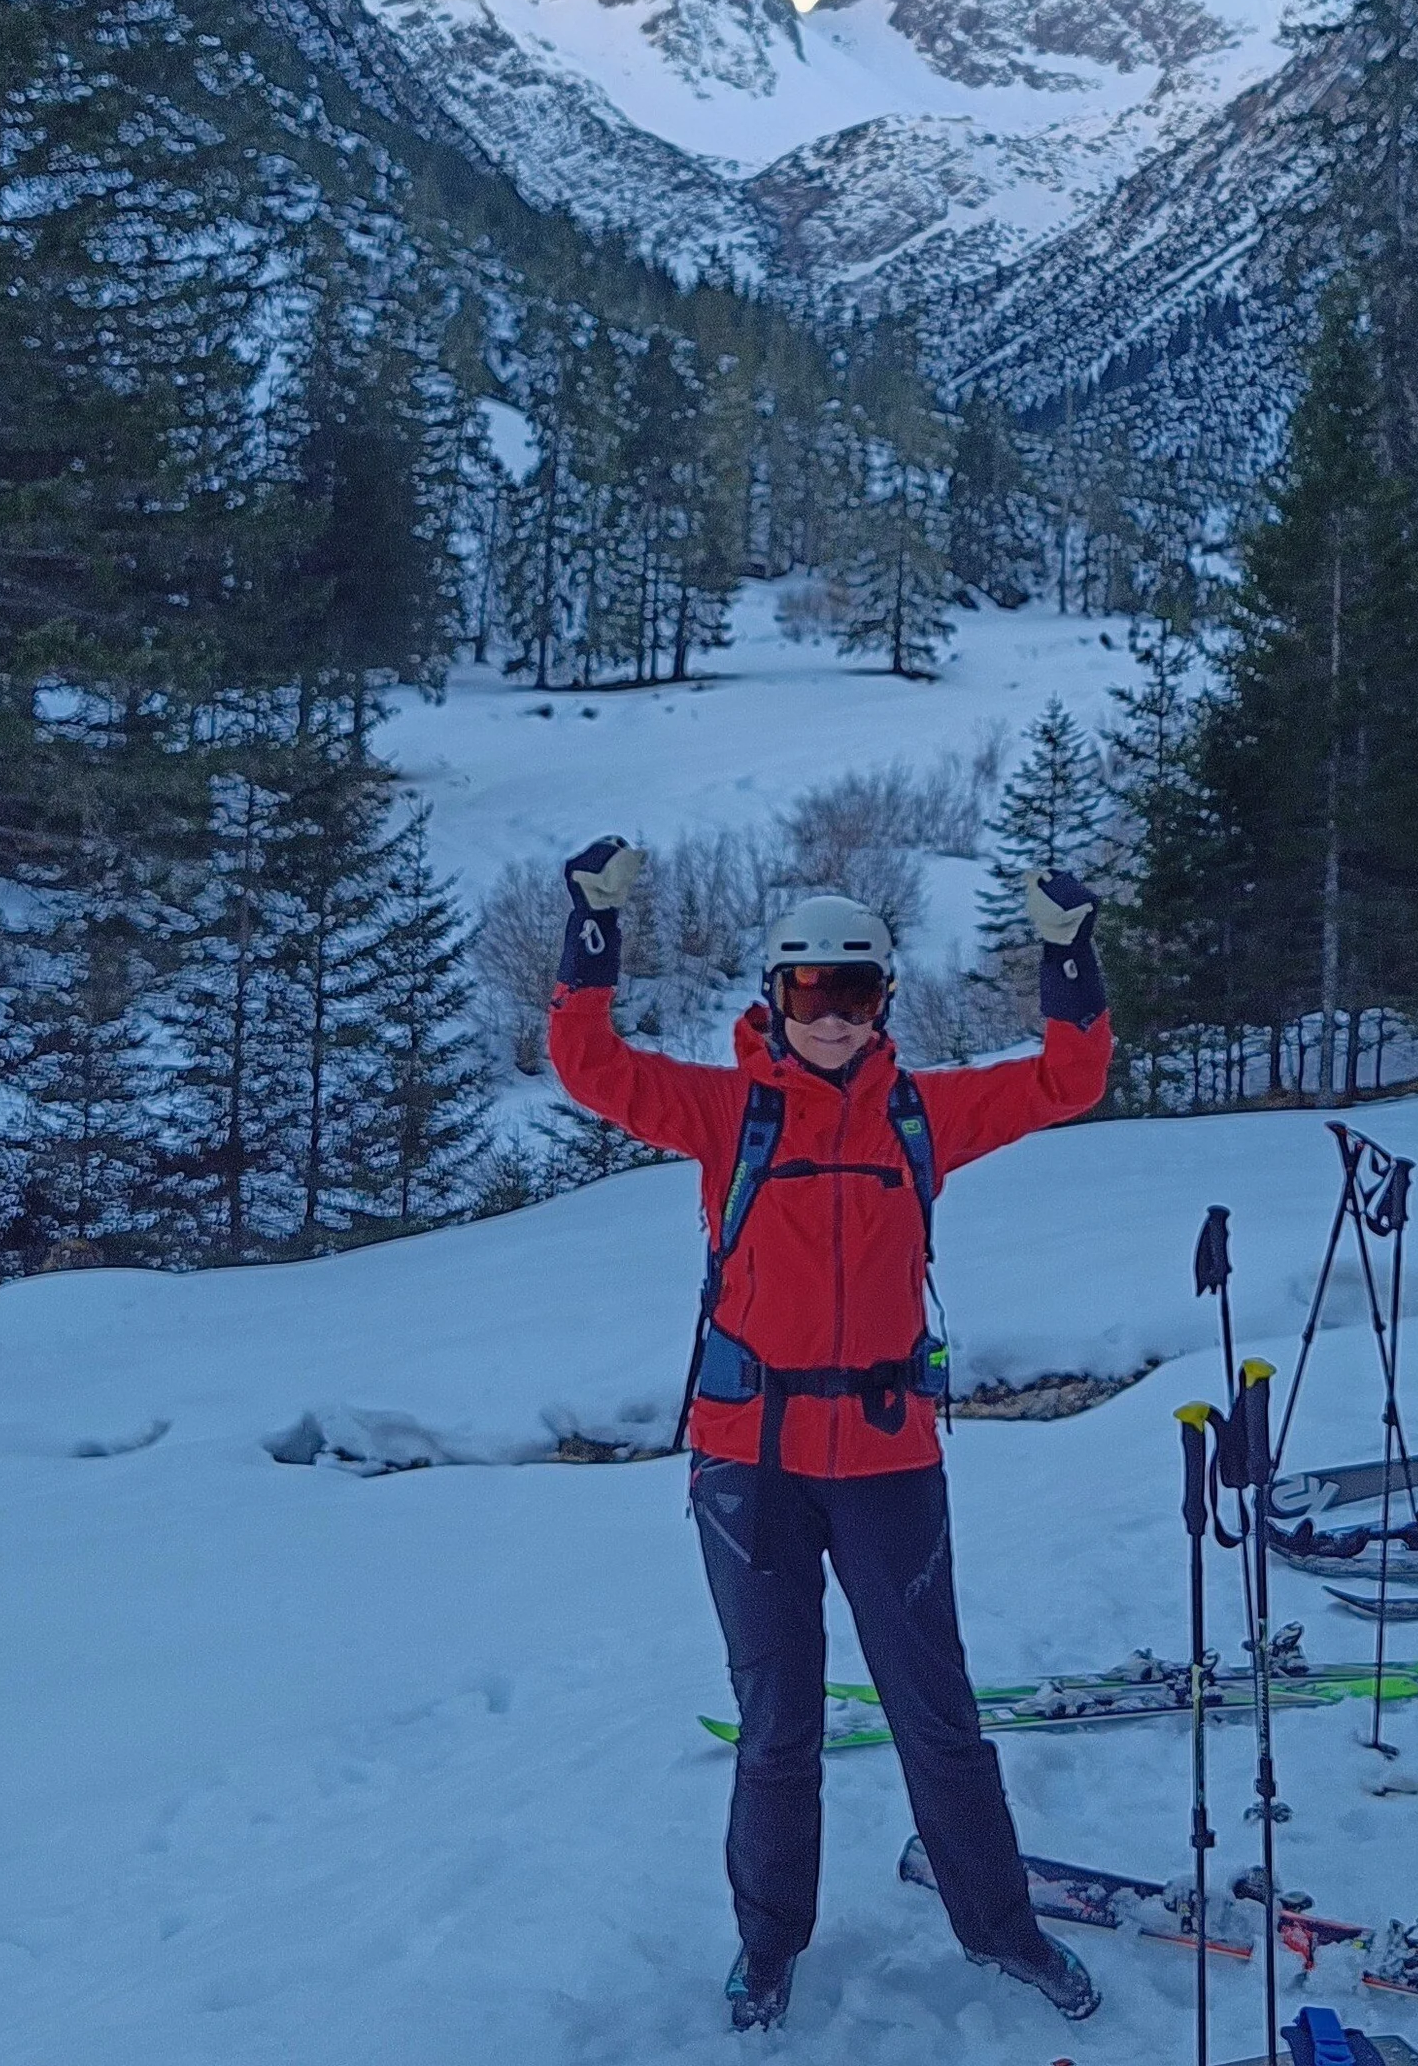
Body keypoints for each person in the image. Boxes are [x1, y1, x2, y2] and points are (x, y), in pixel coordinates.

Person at [547, 835, 1114, 2033]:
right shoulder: (729, 1110)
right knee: (779, 1726)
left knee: (937, 1714)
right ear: (775, 992)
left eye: (855, 993)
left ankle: (1000, 1926)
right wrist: (591, 930)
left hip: (890, 1457)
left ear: (883, 1000)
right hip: (748, 1464)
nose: (833, 1017)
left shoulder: (923, 1115)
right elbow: (587, 1062)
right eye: (812, 991)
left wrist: (1071, 957)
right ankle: (767, 1945)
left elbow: (1068, 1080)